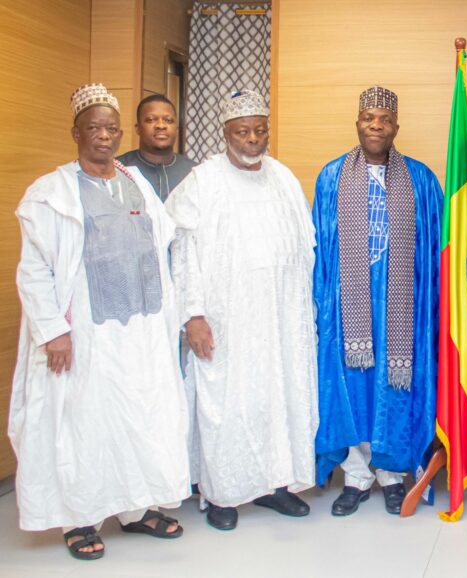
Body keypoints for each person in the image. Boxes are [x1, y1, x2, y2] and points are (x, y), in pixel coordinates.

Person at [9, 83, 190, 560]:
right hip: (85, 333)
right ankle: (81, 518)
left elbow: (163, 244)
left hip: (141, 330)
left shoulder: (136, 182)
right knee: (83, 421)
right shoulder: (52, 193)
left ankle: (135, 509)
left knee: (139, 416)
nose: (105, 136)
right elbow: (34, 270)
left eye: (112, 128)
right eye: (94, 128)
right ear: (76, 133)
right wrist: (54, 331)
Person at [165, 89, 319, 531]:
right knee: (226, 401)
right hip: (225, 318)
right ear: (225, 133)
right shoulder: (203, 181)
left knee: (277, 396)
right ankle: (222, 493)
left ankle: (275, 485)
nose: (252, 139)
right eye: (242, 132)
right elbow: (183, 253)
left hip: (280, 316)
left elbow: (306, 247)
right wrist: (193, 315)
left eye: (259, 130)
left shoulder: (283, 178)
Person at [312, 86, 442, 517]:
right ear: (357, 123)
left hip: (402, 302)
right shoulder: (332, 176)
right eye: (369, 118)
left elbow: (435, 251)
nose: (376, 126)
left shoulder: (420, 179)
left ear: (396, 128)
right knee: (352, 386)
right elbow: (319, 248)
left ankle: (391, 474)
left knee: (394, 384)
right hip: (347, 301)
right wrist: (320, 305)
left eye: (384, 120)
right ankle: (355, 476)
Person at [117, 94, 197, 202]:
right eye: (151, 120)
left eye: (168, 120)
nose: (160, 125)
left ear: (177, 129)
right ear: (138, 128)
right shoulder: (119, 169)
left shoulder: (193, 172)